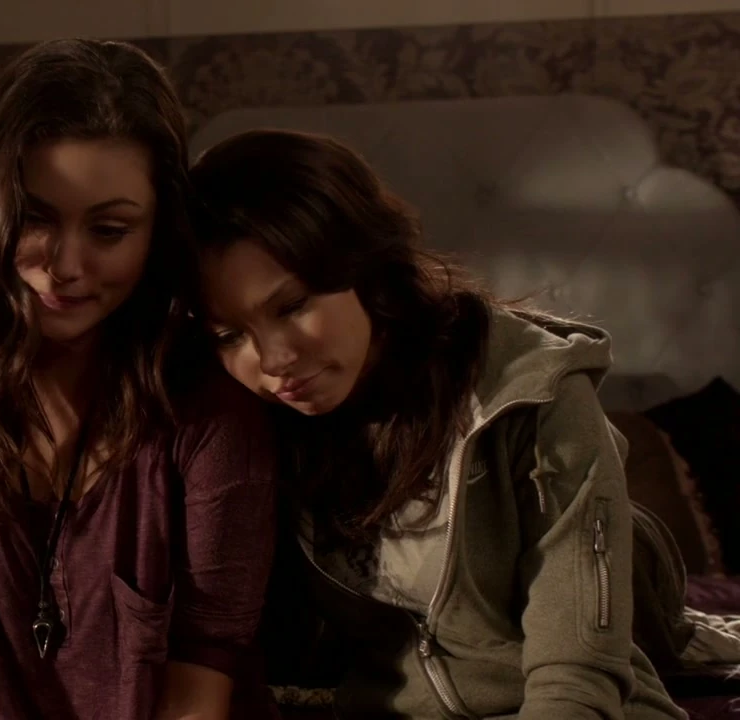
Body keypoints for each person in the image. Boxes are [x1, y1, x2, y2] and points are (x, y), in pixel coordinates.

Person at [185, 128, 740, 718]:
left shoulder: (532, 391)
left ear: (366, 269)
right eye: (230, 335)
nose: (272, 361)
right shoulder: (256, 428)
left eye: (293, 305)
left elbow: (577, 676)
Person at [0, 39, 279, 720]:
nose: (66, 265)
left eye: (109, 230)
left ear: (156, 232)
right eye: (34, 219)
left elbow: (203, 679)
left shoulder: (210, 414)